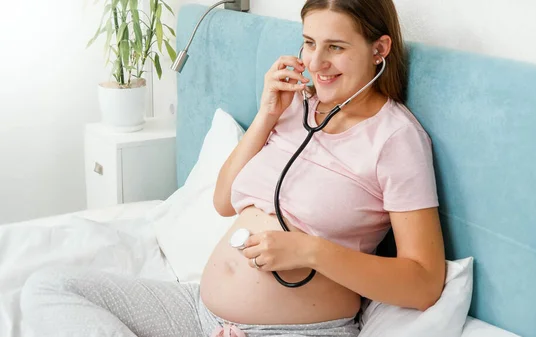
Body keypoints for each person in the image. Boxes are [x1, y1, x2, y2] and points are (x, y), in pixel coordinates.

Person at [20, 1, 446, 336]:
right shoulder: (296, 106)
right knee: (49, 287)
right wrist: (266, 114)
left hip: (299, 331)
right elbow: (224, 200)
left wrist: (308, 250)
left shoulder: (396, 139)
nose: (316, 63)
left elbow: (424, 283)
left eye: (335, 47)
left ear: (380, 49)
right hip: (199, 312)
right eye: (309, 42)